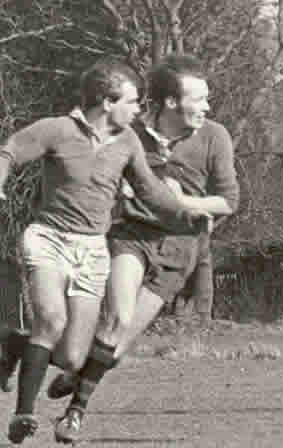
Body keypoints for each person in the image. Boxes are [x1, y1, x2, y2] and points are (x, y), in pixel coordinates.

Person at [0, 57, 209, 444]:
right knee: (51, 319)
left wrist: (187, 214)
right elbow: (9, 152)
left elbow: (150, 190)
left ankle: (12, 343)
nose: (138, 110)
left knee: (71, 358)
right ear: (107, 102)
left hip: (92, 249)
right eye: (132, 102)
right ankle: (23, 415)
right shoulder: (58, 129)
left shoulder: (128, 142)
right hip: (49, 239)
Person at [49, 53, 239, 444]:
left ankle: (80, 369)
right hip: (132, 236)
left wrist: (183, 202)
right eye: (199, 99)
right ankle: (75, 414)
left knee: (116, 348)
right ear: (171, 102)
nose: (207, 107)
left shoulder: (215, 137)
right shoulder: (130, 131)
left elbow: (228, 201)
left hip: (180, 249)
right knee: (117, 318)